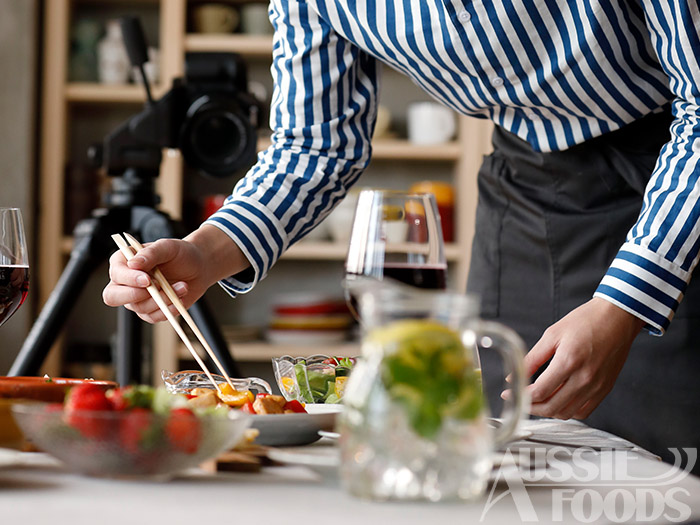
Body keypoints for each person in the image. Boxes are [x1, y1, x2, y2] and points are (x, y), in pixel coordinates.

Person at [103, 1, 700, 471]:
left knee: (659, 475)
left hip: (673, 170)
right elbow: (314, 145)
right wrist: (205, 253)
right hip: (528, 190)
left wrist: (625, 301)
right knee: (500, 458)